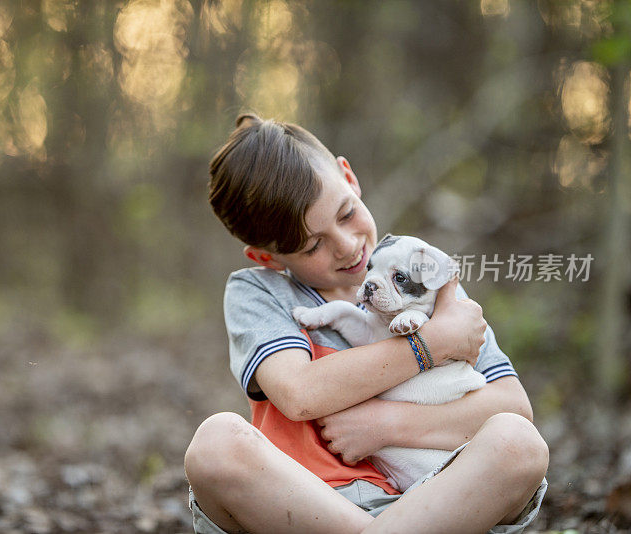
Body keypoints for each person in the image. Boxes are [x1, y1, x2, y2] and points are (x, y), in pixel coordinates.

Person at [184, 113, 548, 534]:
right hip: (307, 509)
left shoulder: (423, 278)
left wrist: (386, 424)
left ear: (349, 177)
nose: (347, 246)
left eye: (345, 214)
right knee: (215, 444)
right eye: (312, 245)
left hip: (437, 499)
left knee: (519, 444)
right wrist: (428, 345)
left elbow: (514, 408)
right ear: (267, 258)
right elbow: (300, 394)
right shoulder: (259, 293)